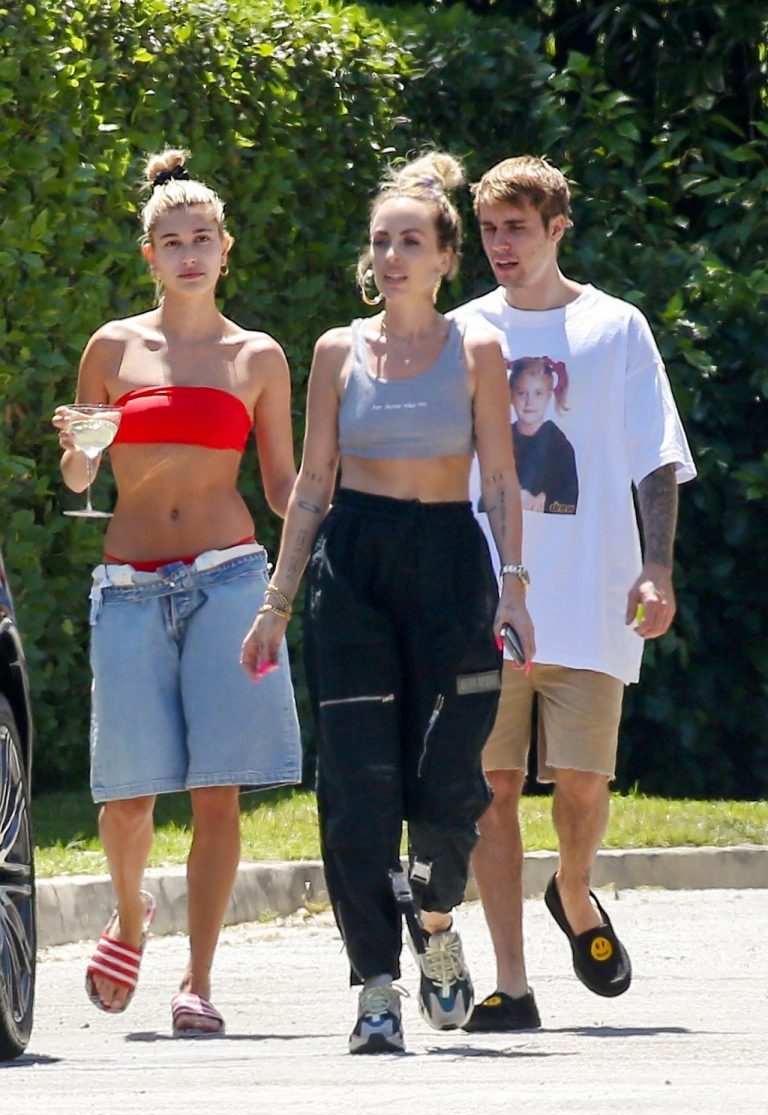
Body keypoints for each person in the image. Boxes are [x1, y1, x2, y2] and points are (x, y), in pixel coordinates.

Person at [240, 151, 535, 1055]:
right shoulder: (337, 350)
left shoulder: (478, 350)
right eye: (381, 242)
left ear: (446, 257)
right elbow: (313, 482)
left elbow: (500, 479)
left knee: (450, 778)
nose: (393, 256)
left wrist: (514, 587)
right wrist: (277, 601)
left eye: (411, 242)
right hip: (356, 568)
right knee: (357, 784)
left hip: (451, 566)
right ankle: (375, 984)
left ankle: (436, 919)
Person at [53, 149, 302, 1037]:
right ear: (150, 255)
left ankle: (198, 980)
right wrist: (79, 448)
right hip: (128, 585)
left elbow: (283, 485)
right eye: (173, 241)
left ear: (226, 250)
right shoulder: (112, 347)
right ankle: (130, 919)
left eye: (203, 239)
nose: (189, 253)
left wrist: (335, 517)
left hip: (228, 576)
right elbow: (80, 476)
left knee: (217, 791)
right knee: (125, 795)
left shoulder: (258, 356)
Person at [449, 155, 696, 1032]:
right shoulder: (460, 330)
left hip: (593, 596)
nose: (501, 244)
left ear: (558, 229)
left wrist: (657, 565)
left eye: (518, 227)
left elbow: (655, 455)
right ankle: (513, 985)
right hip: (488, 603)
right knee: (493, 789)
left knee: (584, 786)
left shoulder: (615, 327)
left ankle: (575, 887)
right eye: (488, 229)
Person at [509, 355, 578, 514]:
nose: (529, 402)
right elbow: (483, 499)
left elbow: (570, 501)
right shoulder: (500, 441)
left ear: (548, 396)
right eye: (522, 393)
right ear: (511, 395)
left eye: (538, 393)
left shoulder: (560, 446)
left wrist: (544, 502)